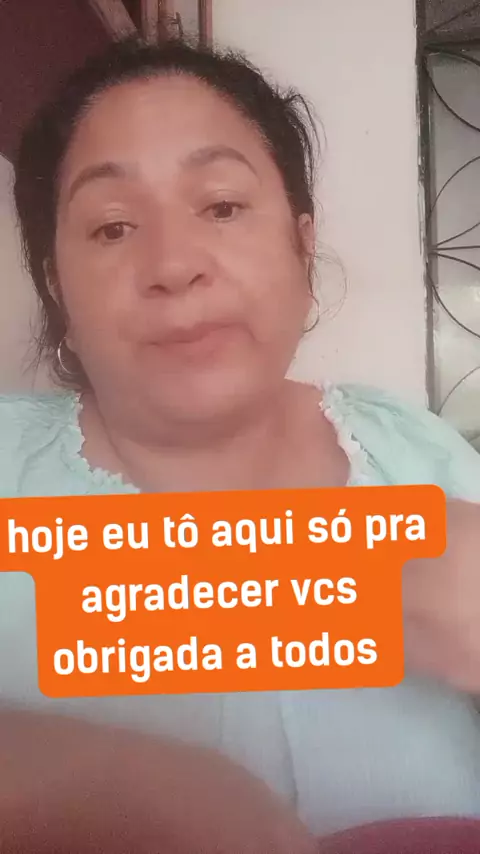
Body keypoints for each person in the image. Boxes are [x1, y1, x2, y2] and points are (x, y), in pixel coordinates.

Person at [2, 34, 480, 844]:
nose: (174, 264)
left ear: (302, 243)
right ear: (57, 285)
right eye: (112, 227)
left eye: (222, 206)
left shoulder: (417, 455)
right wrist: (125, 783)